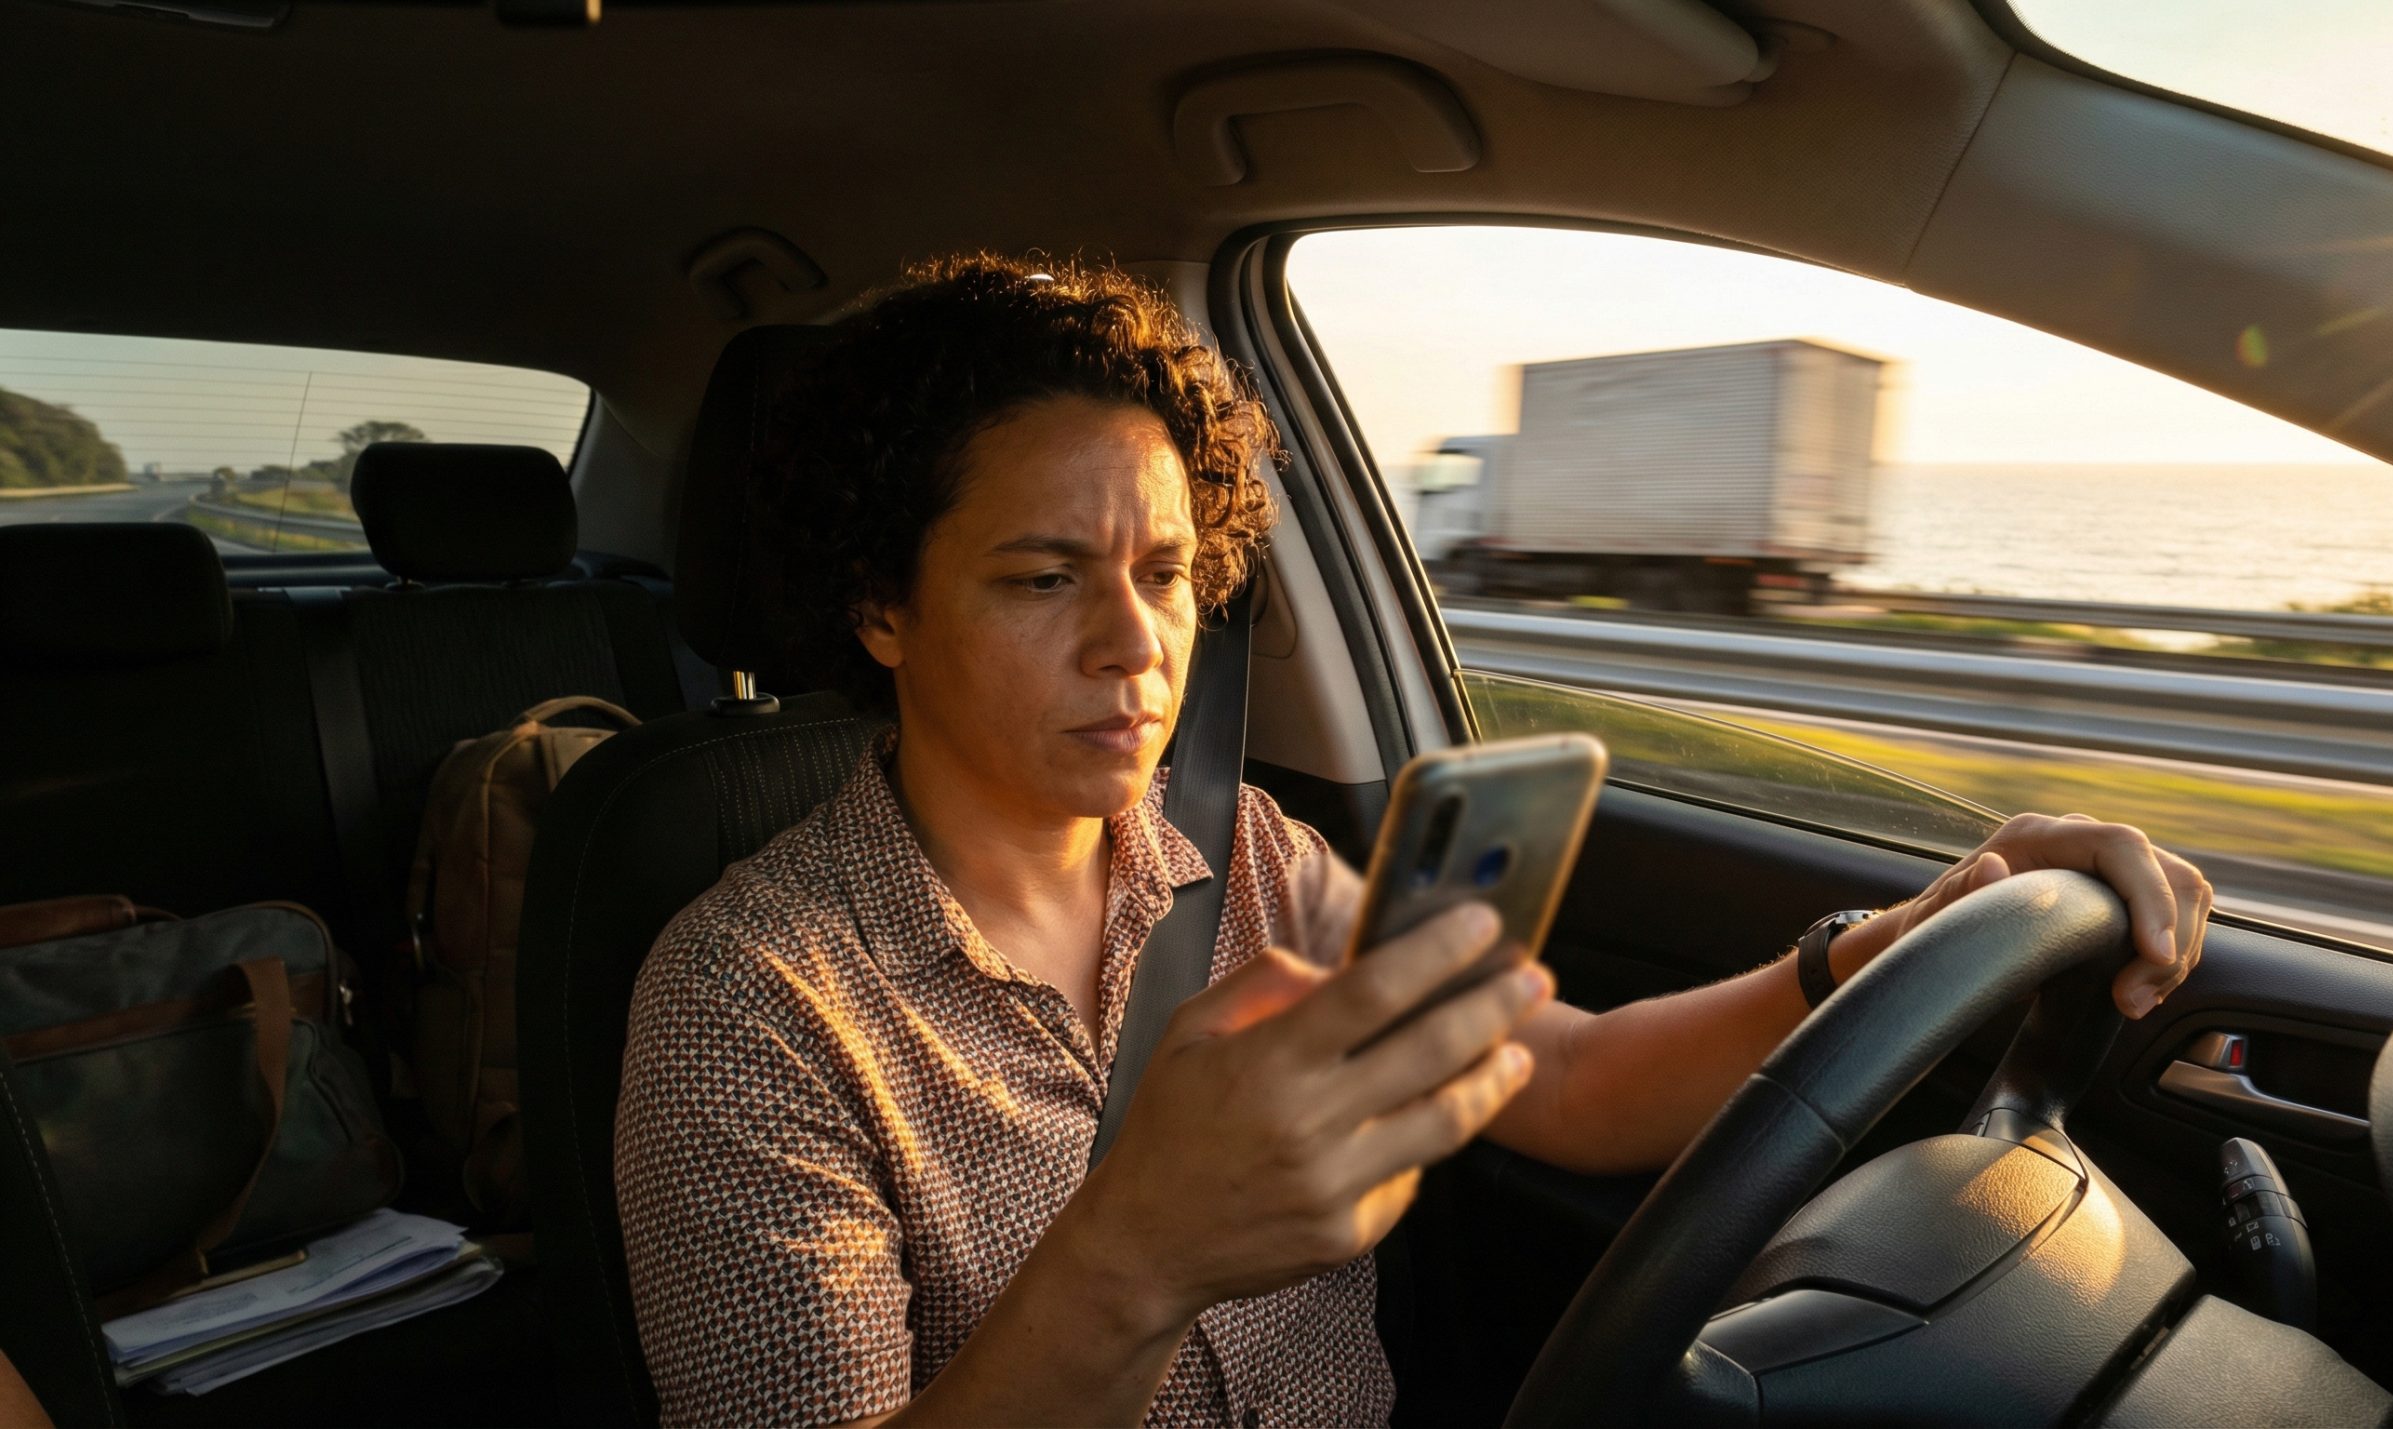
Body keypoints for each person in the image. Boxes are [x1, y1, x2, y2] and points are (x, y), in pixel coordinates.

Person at [613, 254, 2212, 1428]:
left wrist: (1923, 927)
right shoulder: (747, 1007)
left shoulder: (1248, 854)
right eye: (1042, 579)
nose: (1134, 646)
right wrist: (1132, 1257)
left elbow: (1572, 1079)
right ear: (882, 605)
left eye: (1167, 574)